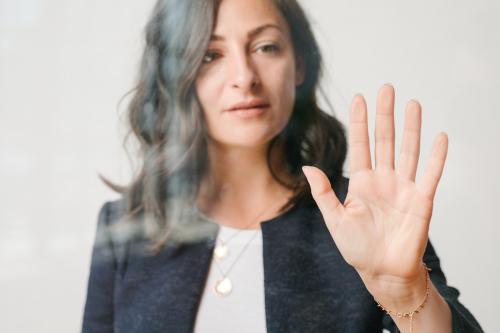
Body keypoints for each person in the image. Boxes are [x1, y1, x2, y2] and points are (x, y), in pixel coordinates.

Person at [82, 0, 484, 332]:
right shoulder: (124, 225)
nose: (244, 77)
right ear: (176, 76)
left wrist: (407, 293)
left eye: (265, 47)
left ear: (300, 65)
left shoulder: (363, 215)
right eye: (211, 54)